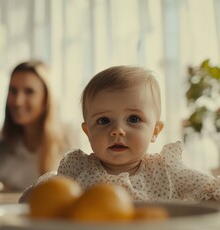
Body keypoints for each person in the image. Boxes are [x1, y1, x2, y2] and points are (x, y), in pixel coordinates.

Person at [21, 65, 220, 202]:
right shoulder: (77, 169)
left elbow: (211, 192)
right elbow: (36, 202)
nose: (117, 130)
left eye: (133, 119)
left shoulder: (167, 170)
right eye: (104, 121)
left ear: (155, 131)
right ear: (88, 132)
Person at [0, 60, 78, 190]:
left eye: (29, 92)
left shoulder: (70, 138)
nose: (18, 101)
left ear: (46, 98)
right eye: (13, 91)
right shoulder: (1, 140)